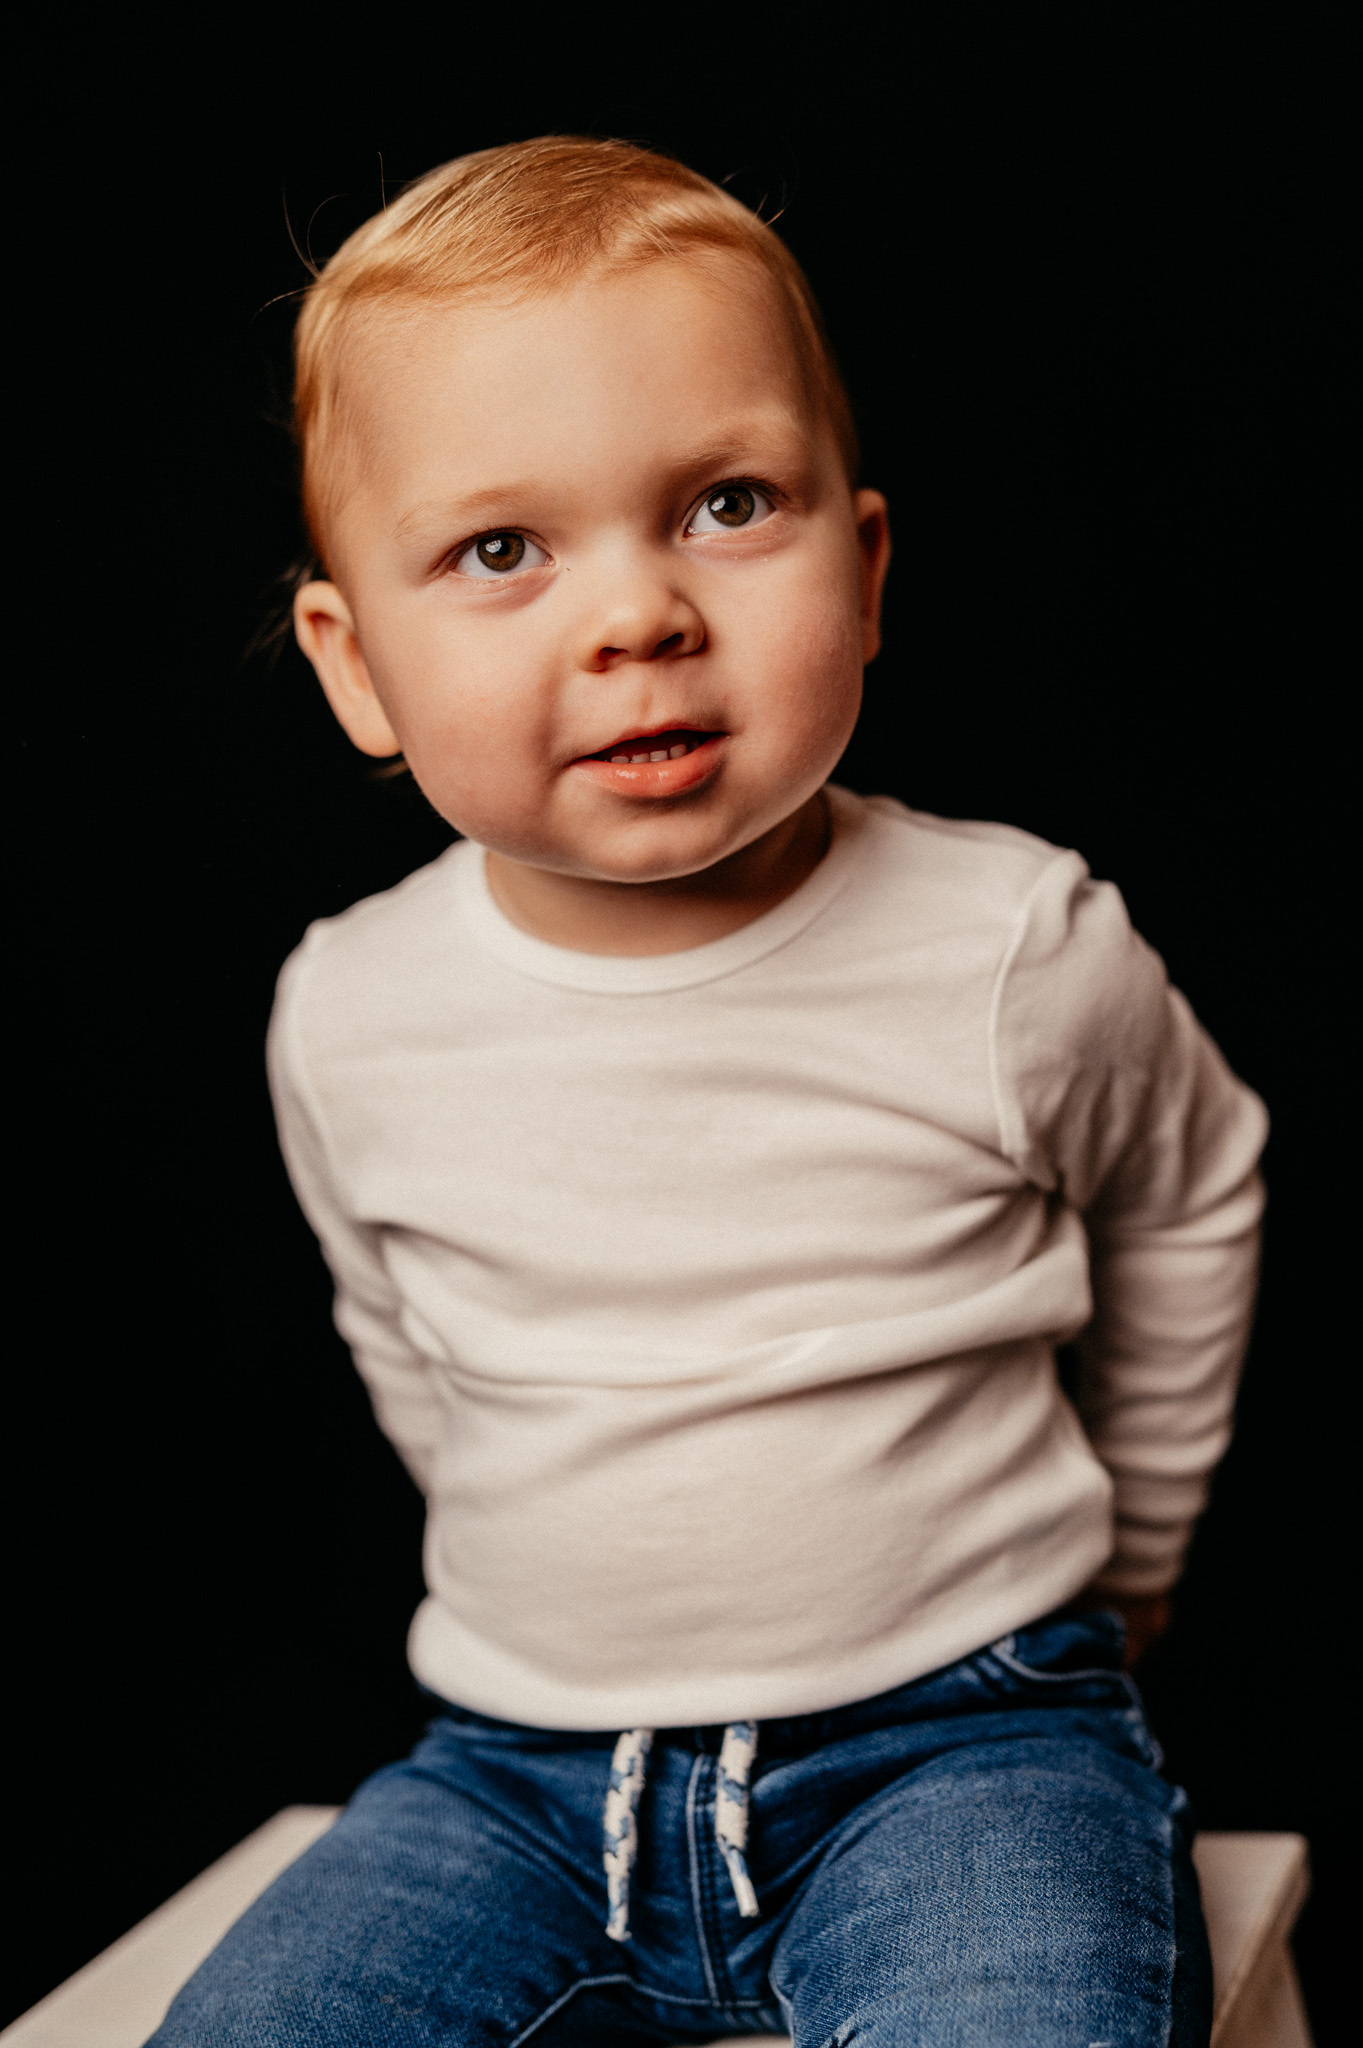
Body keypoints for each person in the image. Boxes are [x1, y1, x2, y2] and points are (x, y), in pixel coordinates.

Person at [150, 137, 1266, 2046]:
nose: (639, 616)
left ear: (868, 564)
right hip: (509, 1773)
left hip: (962, 1740)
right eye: (501, 550)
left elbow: (1190, 1192)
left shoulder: (1010, 946)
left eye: (729, 504)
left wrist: (1141, 1546)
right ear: (358, 667)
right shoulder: (352, 1011)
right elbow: (401, 1326)